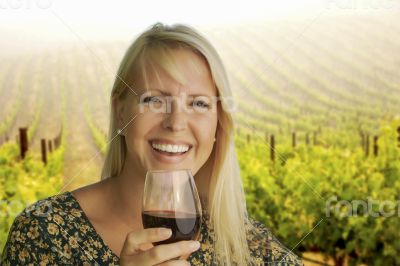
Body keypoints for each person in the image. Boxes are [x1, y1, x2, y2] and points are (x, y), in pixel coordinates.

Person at [1, 23, 303, 265]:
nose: (176, 122)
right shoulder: (43, 234)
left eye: (198, 103)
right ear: (121, 111)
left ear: (217, 125)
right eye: (154, 100)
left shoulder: (246, 245)